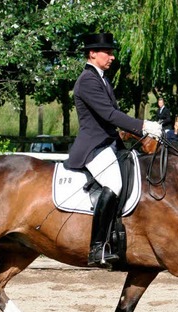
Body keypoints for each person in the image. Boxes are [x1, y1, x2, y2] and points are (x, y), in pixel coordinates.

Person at [68, 32, 163, 267]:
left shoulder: (102, 78)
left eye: (111, 53)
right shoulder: (88, 80)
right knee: (115, 184)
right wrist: (143, 126)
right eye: (107, 53)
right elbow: (109, 115)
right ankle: (97, 248)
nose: (111, 57)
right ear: (92, 53)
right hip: (93, 147)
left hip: (109, 144)